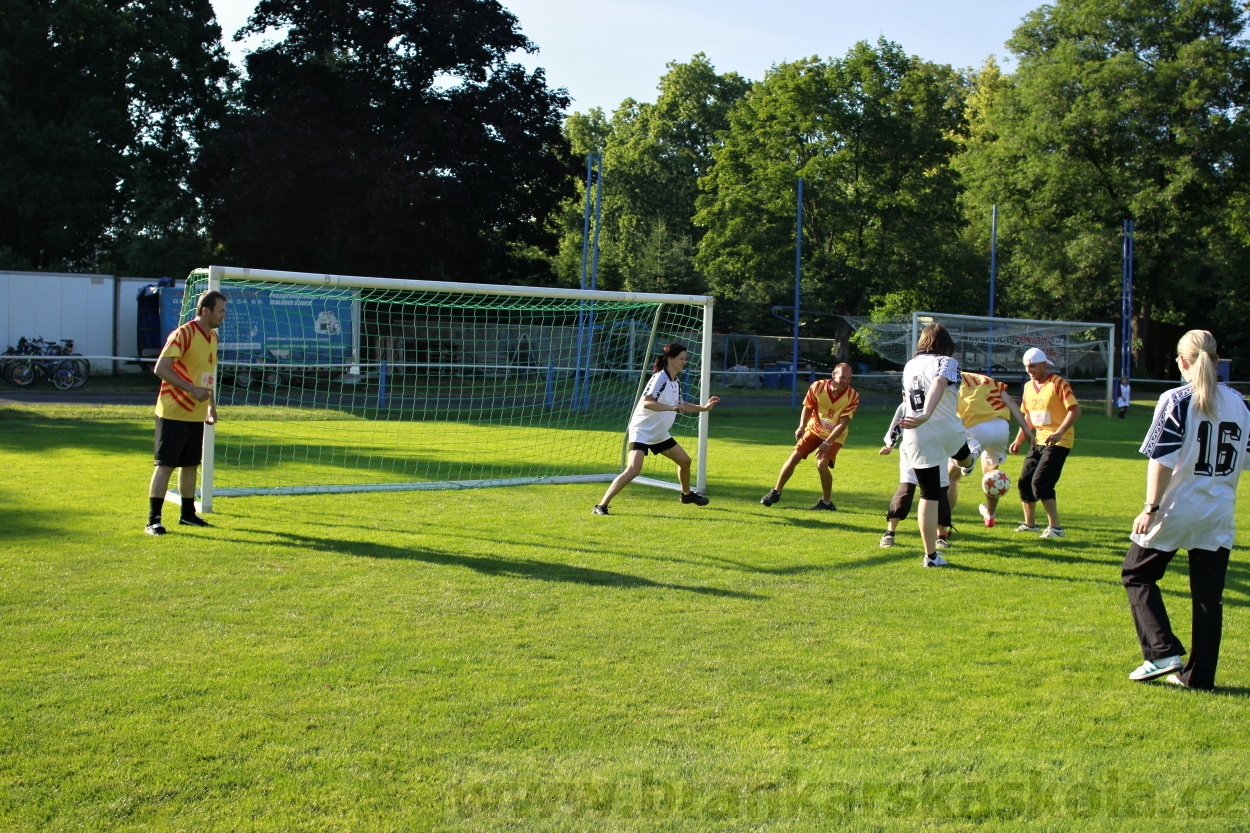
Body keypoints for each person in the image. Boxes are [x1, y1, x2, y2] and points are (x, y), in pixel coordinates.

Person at [1122, 330, 1250, 689]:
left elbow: (1161, 459)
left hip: (1177, 508)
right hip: (1218, 511)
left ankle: (1162, 652)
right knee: (1209, 596)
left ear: (1182, 361)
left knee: (1136, 573)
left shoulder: (1176, 399)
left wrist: (1150, 507)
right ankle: (1199, 676)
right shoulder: (1240, 403)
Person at [594, 343, 720, 515]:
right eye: (681, 359)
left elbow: (681, 405)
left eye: (685, 359)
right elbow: (647, 402)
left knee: (685, 461)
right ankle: (600, 506)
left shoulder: (676, 381)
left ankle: (686, 495)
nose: (684, 362)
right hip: (642, 431)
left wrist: (704, 408)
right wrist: (670, 408)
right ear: (671, 359)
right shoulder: (660, 378)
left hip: (659, 434)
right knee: (633, 469)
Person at [146, 289, 226, 535]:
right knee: (166, 465)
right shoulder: (183, 333)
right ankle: (153, 520)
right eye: (221, 311)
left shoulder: (212, 337)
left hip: (196, 413)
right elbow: (161, 368)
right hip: (173, 411)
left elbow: (208, 376)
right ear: (206, 310)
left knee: (190, 465)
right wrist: (190, 389)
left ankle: (188, 515)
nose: (224, 315)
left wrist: (211, 407)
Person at [898, 323, 966, 567]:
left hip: (917, 436)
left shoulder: (909, 365)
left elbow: (906, 400)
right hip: (946, 432)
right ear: (946, 345)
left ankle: (931, 556)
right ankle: (967, 463)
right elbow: (939, 383)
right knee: (964, 458)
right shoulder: (947, 361)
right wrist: (927, 413)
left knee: (929, 494)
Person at [760, 363, 860, 511]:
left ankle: (826, 502)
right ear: (833, 375)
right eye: (843, 377)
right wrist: (801, 426)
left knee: (822, 465)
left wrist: (827, 442)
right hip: (814, 429)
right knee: (794, 457)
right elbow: (808, 407)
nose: (846, 381)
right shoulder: (818, 387)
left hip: (835, 436)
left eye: (849, 378)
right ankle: (776, 491)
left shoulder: (853, 396)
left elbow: (843, 423)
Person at [1009, 347, 1081, 538]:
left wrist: (1059, 432)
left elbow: (1075, 410)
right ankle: (1030, 524)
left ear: (1043, 364)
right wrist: (1019, 439)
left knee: (1041, 483)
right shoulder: (1027, 387)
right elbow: (1029, 416)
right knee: (1025, 481)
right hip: (1038, 440)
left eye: (1032, 366)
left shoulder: (1058, 384)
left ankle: (1055, 528)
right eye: (1026, 367)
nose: (1029, 370)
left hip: (1059, 441)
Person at [947, 371, 1032, 527]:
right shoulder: (986, 379)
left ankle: (944, 523)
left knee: (952, 476)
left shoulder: (948, 377)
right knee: (993, 477)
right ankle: (990, 515)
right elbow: (1011, 402)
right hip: (1001, 427)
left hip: (976, 426)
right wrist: (1026, 430)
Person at [878, 402, 954, 548]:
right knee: (905, 490)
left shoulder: (943, 404)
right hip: (911, 451)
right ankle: (889, 533)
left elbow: (953, 427)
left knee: (939, 493)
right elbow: (897, 424)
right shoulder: (908, 404)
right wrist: (889, 445)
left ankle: (941, 536)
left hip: (937, 452)